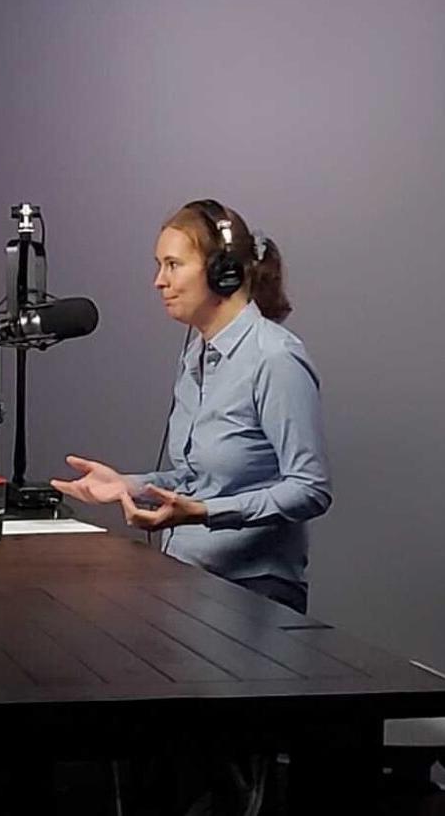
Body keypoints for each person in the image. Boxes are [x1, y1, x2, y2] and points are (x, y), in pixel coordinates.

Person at [52, 199, 331, 614]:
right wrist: (127, 485)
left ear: (223, 274)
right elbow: (198, 478)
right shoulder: (197, 356)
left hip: (255, 596)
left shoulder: (275, 358)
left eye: (172, 265)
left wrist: (205, 513)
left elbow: (310, 488)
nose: (158, 282)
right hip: (188, 583)